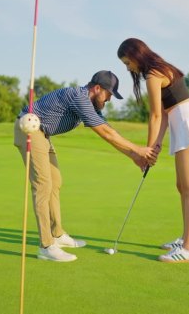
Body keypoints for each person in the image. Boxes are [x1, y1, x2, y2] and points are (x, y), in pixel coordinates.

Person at [14, 70, 155, 262]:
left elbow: (108, 130)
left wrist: (133, 155)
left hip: (43, 133)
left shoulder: (89, 104)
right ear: (97, 89)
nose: (109, 100)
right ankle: (46, 246)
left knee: (55, 182)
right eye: (109, 94)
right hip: (29, 129)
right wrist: (138, 150)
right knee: (43, 185)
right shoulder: (78, 97)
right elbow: (105, 133)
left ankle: (57, 234)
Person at [117, 38, 189, 263]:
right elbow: (163, 116)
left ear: (135, 55)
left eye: (127, 62)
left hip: (187, 123)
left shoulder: (153, 74)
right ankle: (186, 239)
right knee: (182, 186)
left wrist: (146, 151)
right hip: (180, 122)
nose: (128, 67)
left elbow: (155, 116)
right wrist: (155, 146)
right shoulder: (158, 70)